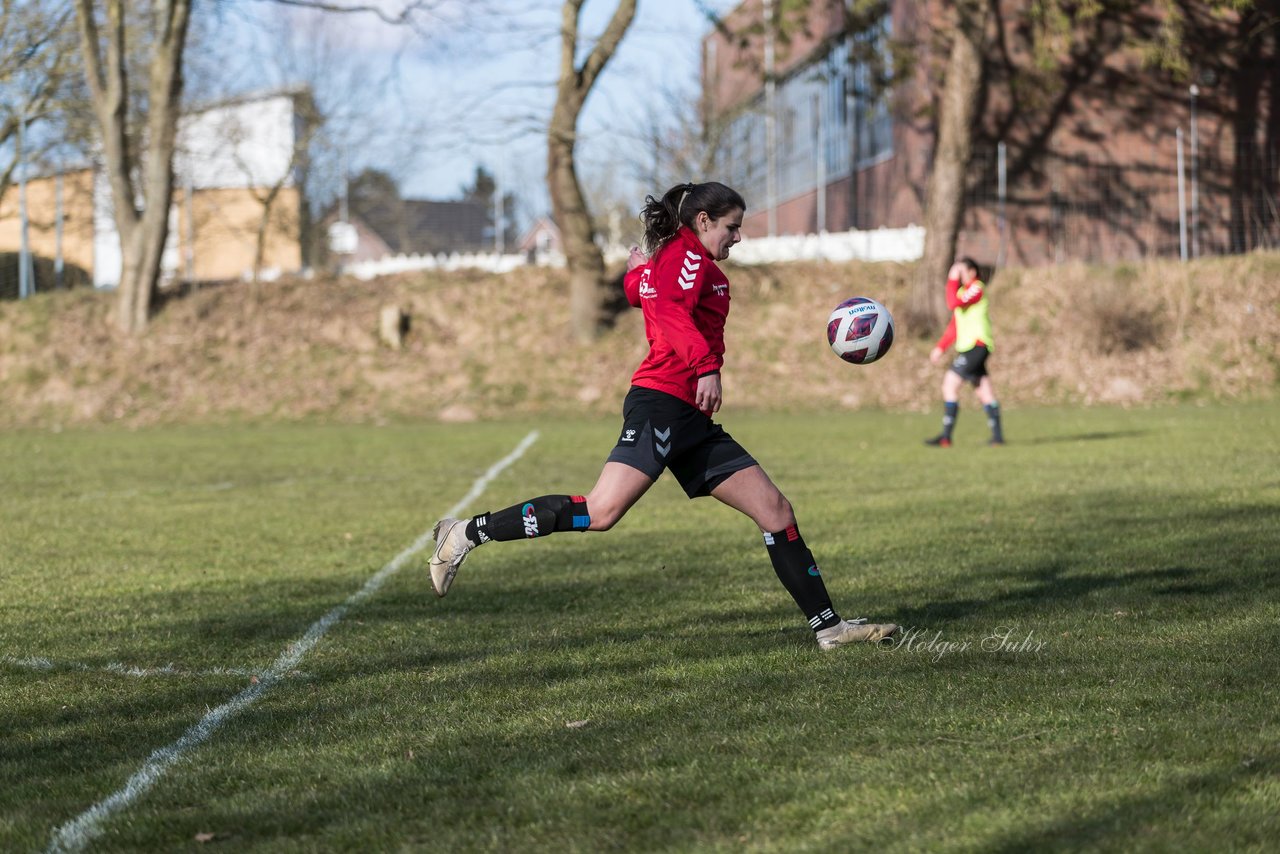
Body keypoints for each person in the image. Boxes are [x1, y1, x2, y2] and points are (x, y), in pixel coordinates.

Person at [428, 181, 899, 650]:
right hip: (663, 403)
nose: (737, 237)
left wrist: (639, 273)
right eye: (732, 227)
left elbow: (643, 294)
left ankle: (830, 629)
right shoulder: (687, 257)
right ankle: (466, 532)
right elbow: (671, 310)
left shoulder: (682, 260)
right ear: (704, 221)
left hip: (689, 416)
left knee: (776, 512)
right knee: (601, 511)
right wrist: (706, 366)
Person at [925, 257, 1005, 447]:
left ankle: (946, 437)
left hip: (977, 346)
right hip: (970, 347)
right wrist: (940, 347)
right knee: (984, 392)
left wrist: (951, 280)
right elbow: (955, 326)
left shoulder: (977, 288)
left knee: (949, 385)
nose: (958, 276)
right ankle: (998, 438)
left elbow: (953, 304)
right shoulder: (962, 293)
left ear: (972, 272)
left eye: (961, 272)